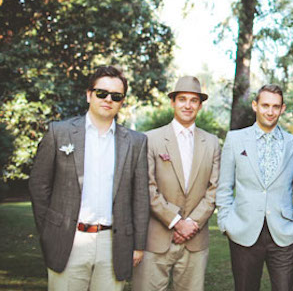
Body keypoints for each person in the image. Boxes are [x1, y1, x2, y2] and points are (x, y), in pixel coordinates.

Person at [28, 65, 149, 290]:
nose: (108, 99)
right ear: (89, 95)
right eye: (101, 93)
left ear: (122, 101)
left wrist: (138, 244)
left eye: (116, 96)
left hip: (113, 244)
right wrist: (49, 231)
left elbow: (141, 197)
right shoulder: (59, 132)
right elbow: (39, 185)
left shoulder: (136, 142)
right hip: (69, 239)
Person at [132, 76, 221, 291]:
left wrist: (192, 223)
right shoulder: (150, 139)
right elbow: (147, 187)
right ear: (173, 102)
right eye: (182, 99)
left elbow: (215, 189)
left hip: (195, 241)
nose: (187, 105)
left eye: (193, 100)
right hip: (156, 239)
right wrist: (176, 221)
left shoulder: (211, 142)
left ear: (200, 105)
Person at [217, 84, 293, 291]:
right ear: (255, 106)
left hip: (284, 233)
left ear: (282, 109)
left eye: (276, 106)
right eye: (265, 105)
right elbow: (224, 186)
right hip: (243, 231)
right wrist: (225, 223)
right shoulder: (235, 140)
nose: (270, 111)